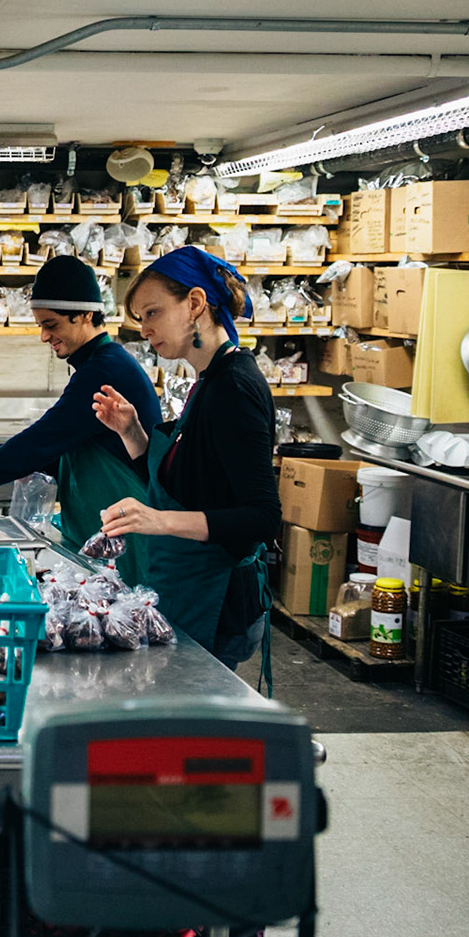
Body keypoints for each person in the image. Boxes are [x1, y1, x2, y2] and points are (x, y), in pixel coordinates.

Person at [89, 247, 280, 669]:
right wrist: (132, 432)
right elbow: (187, 484)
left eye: (152, 313)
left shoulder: (234, 389)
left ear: (194, 304)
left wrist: (158, 522)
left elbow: (263, 518)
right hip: (187, 593)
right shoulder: (208, 381)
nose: (144, 330)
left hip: (217, 602)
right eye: (141, 319)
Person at [0, 256, 161, 578]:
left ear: (84, 315)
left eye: (51, 325)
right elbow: (60, 443)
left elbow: (44, 439)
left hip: (125, 540)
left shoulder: (105, 370)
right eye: (41, 326)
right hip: (109, 531)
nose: (43, 336)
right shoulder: (100, 363)